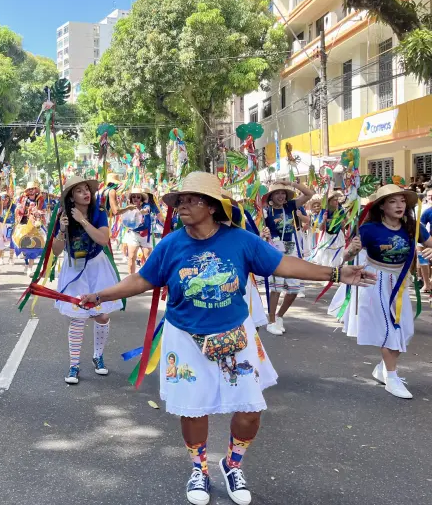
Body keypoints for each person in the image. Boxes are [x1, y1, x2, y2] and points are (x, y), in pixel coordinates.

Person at [78, 172, 374, 505]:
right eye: (180, 200)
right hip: (184, 339)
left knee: (250, 411)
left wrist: (335, 274)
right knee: (192, 411)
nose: (182, 206)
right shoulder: (171, 244)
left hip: (236, 336)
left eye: (192, 200)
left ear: (213, 207)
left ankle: (232, 465)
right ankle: (199, 469)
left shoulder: (240, 240)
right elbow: (142, 280)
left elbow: (283, 264)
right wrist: (100, 295)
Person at [331, 184, 432, 399]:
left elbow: (430, 243)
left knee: (406, 330)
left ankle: (382, 368)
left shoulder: (413, 227)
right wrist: (351, 251)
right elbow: (345, 258)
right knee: (391, 329)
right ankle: (392, 378)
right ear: (382, 207)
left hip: (401, 282)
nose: (399, 205)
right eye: (393, 201)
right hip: (375, 281)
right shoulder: (369, 230)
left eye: (402, 201)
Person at [52, 176, 122, 384]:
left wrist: (82, 220)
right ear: (71, 197)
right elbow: (56, 251)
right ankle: (74, 366)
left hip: (97, 267)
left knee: (101, 316)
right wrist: (63, 230)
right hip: (74, 269)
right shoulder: (62, 216)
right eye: (79, 190)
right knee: (78, 317)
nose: (86, 193)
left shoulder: (98, 213)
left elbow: (103, 239)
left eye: (87, 189)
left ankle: (98, 356)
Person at [262, 181, 313, 336]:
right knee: (276, 288)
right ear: (271, 196)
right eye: (277, 193)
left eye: (283, 193)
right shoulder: (265, 212)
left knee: (294, 289)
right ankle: (270, 321)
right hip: (274, 250)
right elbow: (259, 231)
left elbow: (309, 194)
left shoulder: (290, 206)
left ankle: (279, 316)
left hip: (291, 249)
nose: (281, 195)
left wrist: (291, 183)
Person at [119, 188, 154, 275]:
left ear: (141, 198)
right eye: (133, 196)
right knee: (131, 257)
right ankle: (131, 279)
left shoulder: (146, 205)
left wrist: (140, 212)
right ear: (131, 198)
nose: (135, 198)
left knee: (148, 258)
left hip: (145, 235)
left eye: (138, 197)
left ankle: (147, 279)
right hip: (133, 234)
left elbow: (146, 211)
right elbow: (124, 219)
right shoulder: (129, 207)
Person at [418, 189, 432, 292]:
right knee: (423, 260)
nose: (430, 197)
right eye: (429, 196)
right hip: (428, 241)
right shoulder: (427, 211)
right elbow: (420, 227)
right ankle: (427, 284)